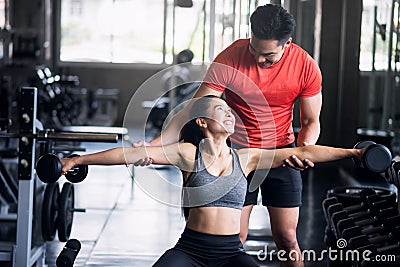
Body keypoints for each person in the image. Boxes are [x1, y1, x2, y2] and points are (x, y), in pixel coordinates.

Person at [62, 96, 364, 267]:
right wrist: (76, 161)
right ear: (202, 122)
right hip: (190, 250)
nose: (230, 115)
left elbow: (303, 150)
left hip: (232, 253)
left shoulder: (247, 158)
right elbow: (127, 154)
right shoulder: (187, 153)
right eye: (222, 110)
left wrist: (354, 152)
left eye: (231, 113)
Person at [135, 4, 322, 266]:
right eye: (254, 50)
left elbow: (311, 121)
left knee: (287, 238)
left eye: (267, 56)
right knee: (236, 238)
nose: (258, 60)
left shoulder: (306, 67)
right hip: (236, 158)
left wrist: (304, 150)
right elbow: (194, 109)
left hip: (280, 154)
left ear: (287, 43)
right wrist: (154, 145)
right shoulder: (231, 57)